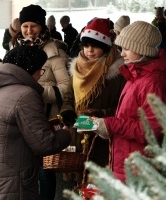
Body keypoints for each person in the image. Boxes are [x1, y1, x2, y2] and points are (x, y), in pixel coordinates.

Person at [0, 45, 71, 200]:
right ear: (30, 70)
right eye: (40, 71)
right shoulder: (25, 95)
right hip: (10, 186)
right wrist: (66, 134)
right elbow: (44, 144)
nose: (40, 76)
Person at [91, 21, 166, 183]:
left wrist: (111, 125)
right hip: (126, 164)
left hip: (138, 170)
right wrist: (106, 127)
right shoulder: (135, 75)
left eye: (126, 49)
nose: (122, 54)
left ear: (142, 50)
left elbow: (150, 131)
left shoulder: (152, 82)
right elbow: (129, 118)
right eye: (121, 49)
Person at [12, 4, 70, 200]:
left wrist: (36, 92)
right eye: (25, 26)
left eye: (33, 26)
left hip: (46, 118)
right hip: (21, 116)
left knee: (45, 169)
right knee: (23, 166)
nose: (29, 31)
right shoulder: (16, 49)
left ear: (42, 27)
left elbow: (66, 87)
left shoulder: (54, 52)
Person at [60, 18, 126, 181]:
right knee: (77, 175)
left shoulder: (116, 73)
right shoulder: (76, 68)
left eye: (95, 46)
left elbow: (121, 105)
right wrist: (67, 110)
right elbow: (69, 96)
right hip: (78, 131)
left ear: (105, 47)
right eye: (86, 45)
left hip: (101, 135)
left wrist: (98, 115)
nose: (89, 50)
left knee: (97, 180)